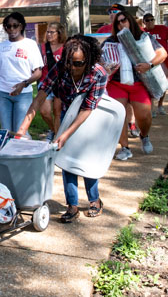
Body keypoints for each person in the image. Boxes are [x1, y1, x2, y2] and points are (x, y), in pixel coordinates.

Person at [16, 35, 109, 222]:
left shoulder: (99, 74)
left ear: (88, 60)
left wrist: (65, 134)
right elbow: (40, 98)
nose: (73, 68)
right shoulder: (60, 69)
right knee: (67, 160)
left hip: (90, 117)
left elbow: (88, 108)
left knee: (86, 159)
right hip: (68, 114)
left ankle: (94, 199)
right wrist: (22, 129)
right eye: (70, 63)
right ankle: (72, 205)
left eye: (78, 64)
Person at [103, 10, 168, 160]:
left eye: (123, 20)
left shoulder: (144, 37)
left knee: (144, 116)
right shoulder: (110, 41)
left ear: (130, 20)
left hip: (139, 83)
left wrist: (149, 65)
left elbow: (162, 53)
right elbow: (101, 60)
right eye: (117, 22)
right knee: (117, 115)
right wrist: (107, 67)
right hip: (117, 84)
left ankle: (144, 136)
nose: (121, 24)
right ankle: (124, 147)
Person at [0, 12, 43, 134]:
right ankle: (9, 153)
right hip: (3, 95)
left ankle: (26, 152)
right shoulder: (0, 47)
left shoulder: (30, 45)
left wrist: (24, 84)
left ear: (21, 26)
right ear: (5, 28)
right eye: (8, 26)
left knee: (20, 131)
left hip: (23, 95)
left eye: (15, 25)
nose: (12, 29)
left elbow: (38, 72)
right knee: (6, 131)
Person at [143, 14, 168, 116]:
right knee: (149, 84)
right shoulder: (142, 32)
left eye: (152, 19)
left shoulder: (162, 29)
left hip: (163, 61)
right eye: (147, 20)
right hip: (148, 62)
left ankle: (160, 105)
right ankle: (151, 108)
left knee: (163, 84)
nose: (150, 22)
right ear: (144, 22)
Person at [39, 22, 67, 140]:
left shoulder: (65, 47)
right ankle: (53, 130)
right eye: (48, 32)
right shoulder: (42, 47)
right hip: (45, 82)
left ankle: (56, 137)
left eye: (52, 32)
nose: (49, 34)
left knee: (57, 112)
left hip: (60, 83)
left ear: (59, 33)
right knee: (44, 112)